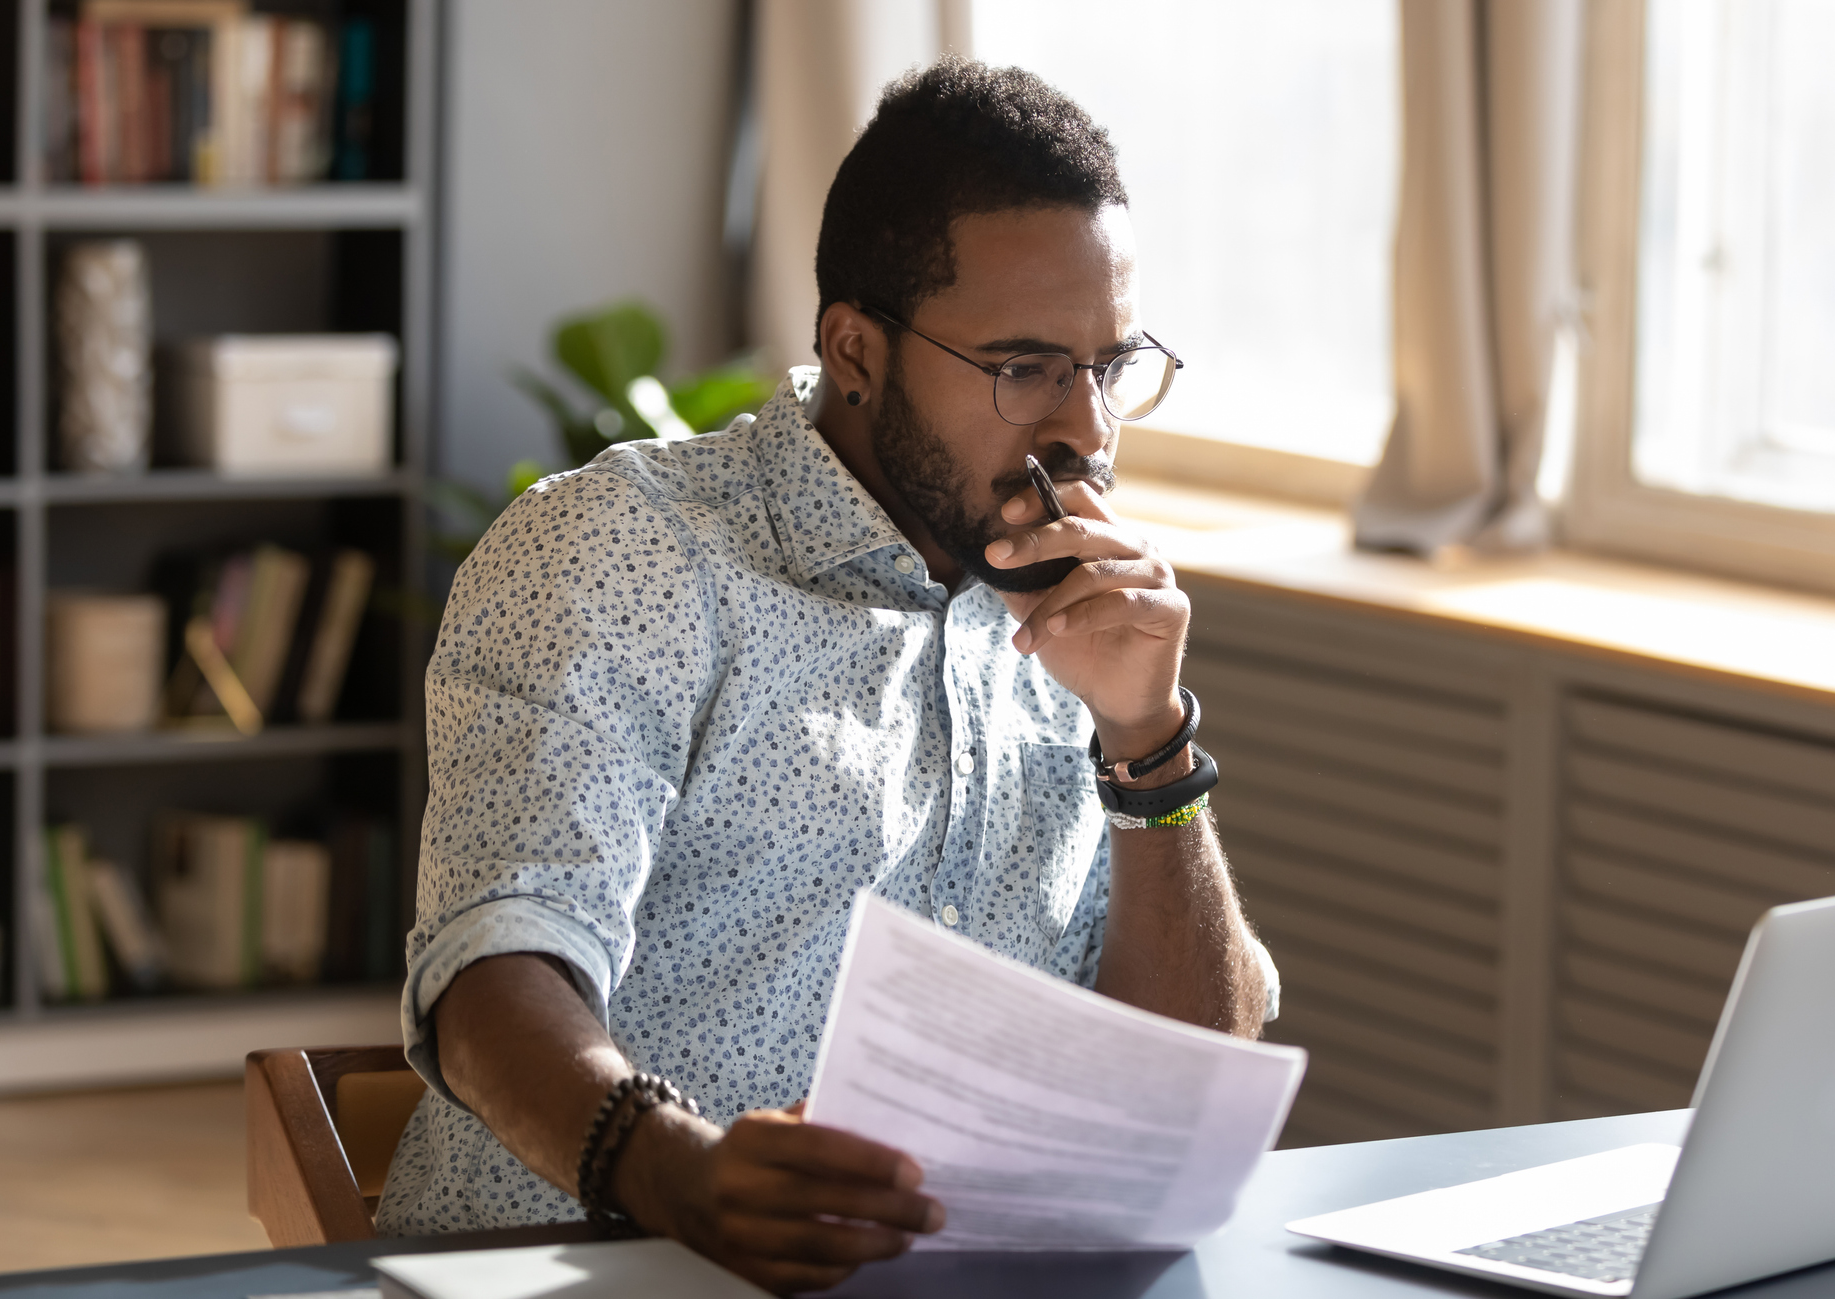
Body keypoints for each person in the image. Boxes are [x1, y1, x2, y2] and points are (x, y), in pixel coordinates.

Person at [374, 57, 1278, 1293]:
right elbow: (494, 967)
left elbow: (1183, 1090)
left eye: (1107, 367)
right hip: (581, 1272)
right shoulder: (624, 554)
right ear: (855, 349)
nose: (1085, 432)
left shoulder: (1078, 618)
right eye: (1023, 369)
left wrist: (1147, 742)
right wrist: (673, 1172)